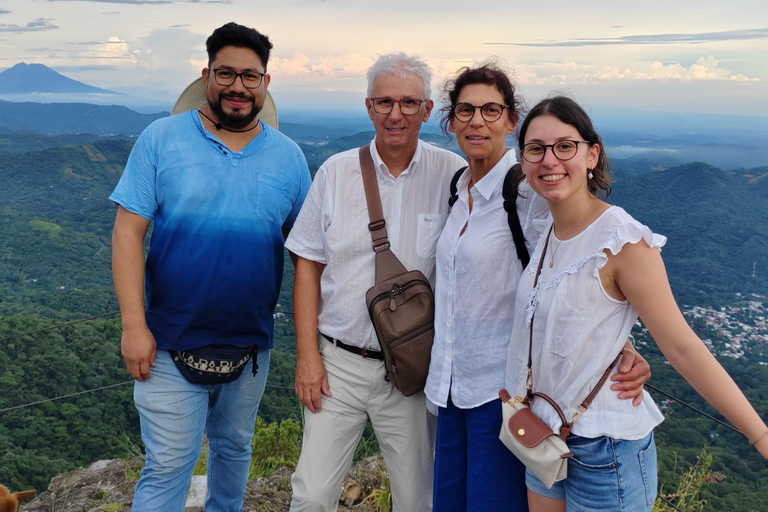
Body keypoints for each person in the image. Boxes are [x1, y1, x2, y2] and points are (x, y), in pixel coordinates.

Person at [505, 96, 768, 511]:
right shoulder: (547, 228)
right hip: (543, 433)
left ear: (592, 154)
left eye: (565, 146)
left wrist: (760, 435)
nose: (549, 159)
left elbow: (683, 348)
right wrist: (616, 346)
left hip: (605, 451)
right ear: (523, 160)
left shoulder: (623, 241)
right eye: (536, 149)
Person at [424, 64, 651, 512]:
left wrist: (621, 342)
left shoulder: (530, 194)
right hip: (449, 386)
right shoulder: (456, 186)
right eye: (465, 110)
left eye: (492, 109)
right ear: (451, 123)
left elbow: (589, 262)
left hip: (503, 394)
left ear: (512, 121)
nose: (477, 120)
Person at [110, 22, 311, 512]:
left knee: (235, 449)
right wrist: (134, 326)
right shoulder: (161, 139)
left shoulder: (288, 158)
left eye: (250, 75)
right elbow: (127, 232)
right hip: (166, 340)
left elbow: (306, 253)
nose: (238, 86)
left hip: (251, 344)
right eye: (226, 73)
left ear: (265, 82)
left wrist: (313, 345)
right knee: (168, 466)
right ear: (207, 75)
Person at [284, 52, 467, 512]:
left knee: (417, 499)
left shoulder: (453, 177)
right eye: (384, 102)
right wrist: (307, 357)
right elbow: (307, 264)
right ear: (369, 107)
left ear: (427, 110)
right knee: (310, 495)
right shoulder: (335, 173)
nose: (395, 114)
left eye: (409, 103)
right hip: (338, 364)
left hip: (413, 369)